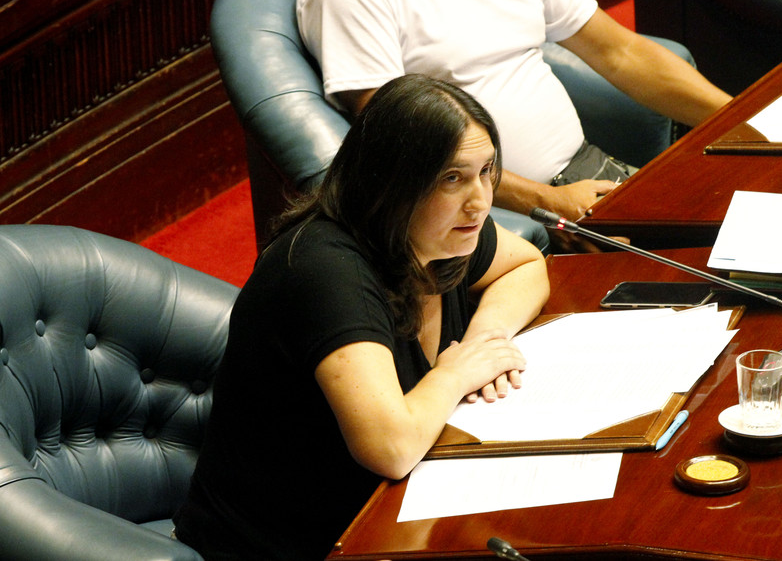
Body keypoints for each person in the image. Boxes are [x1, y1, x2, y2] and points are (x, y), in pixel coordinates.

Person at [172, 74, 550, 560]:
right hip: (285, 547)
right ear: (392, 182)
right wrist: (455, 375)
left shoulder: (438, 233)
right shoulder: (327, 270)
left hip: (389, 516)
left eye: (486, 171)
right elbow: (391, 448)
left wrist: (485, 343)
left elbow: (527, 266)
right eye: (452, 178)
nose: (479, 200)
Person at [296, 0, 733, 251]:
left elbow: (621, 52)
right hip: (495, 213)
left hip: (585, 174)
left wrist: (749, 121)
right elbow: (395, 135)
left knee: (747, 232)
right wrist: (544, 203)